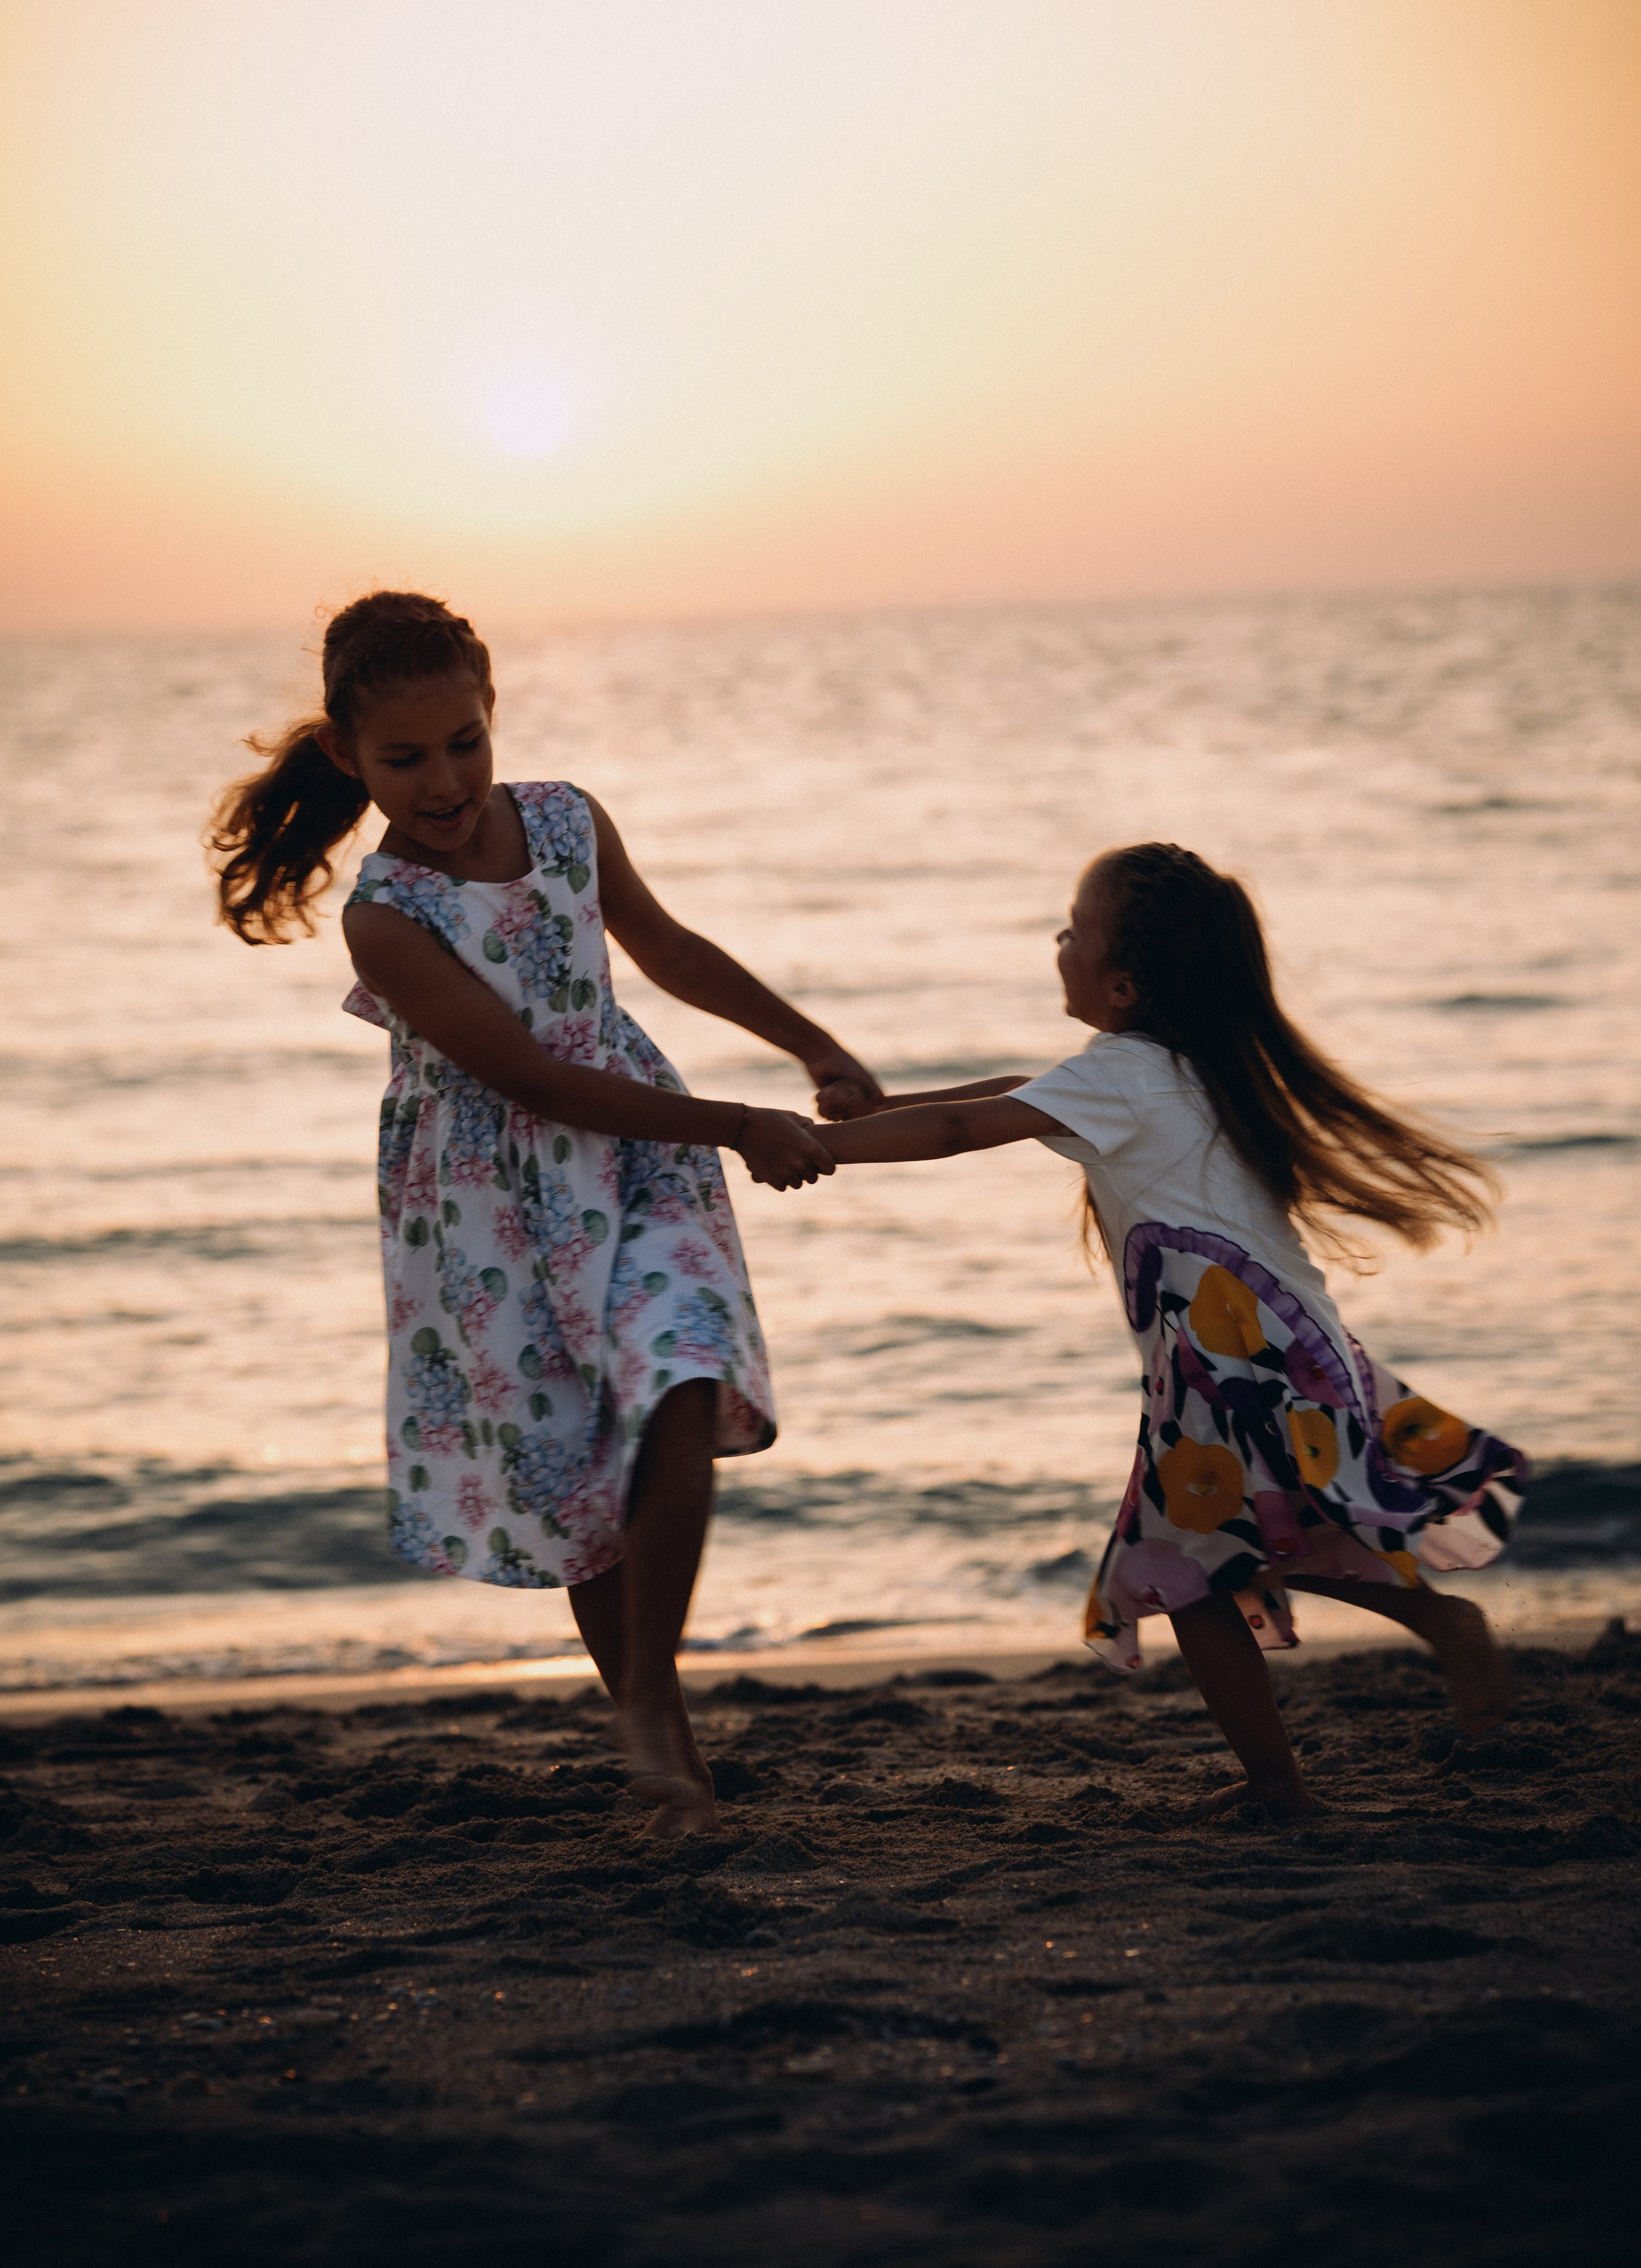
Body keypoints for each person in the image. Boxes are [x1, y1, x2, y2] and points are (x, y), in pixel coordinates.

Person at [209, 590, 877, 1836]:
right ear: (349, 757)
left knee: (683, 1379)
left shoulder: (566, 818)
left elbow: (667, 948)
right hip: (494, 1207)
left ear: (493, 710)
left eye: (465, 742)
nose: (445, 781)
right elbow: (528, 1080)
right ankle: (663, 1744)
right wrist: (740, 1124)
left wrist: (812, 1047)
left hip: (642, 1158)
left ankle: (651, 1690)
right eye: (406, 759)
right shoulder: (384, 917)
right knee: (580, 1481)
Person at [814, 842, 1528, 1819]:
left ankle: (1315, 1751)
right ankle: (1408, 1658)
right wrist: (885, 1104)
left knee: (1195, 1570)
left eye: (1075, 930)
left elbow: (962, 1130)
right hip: (1279, 1355)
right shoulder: (1185, 1070)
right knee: (1227, 1556)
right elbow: (1010, 1093)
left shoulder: (1120, 1081)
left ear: (1121, 985)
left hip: (1232, 1372)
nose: (1058, 941)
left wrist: (819, 1145)